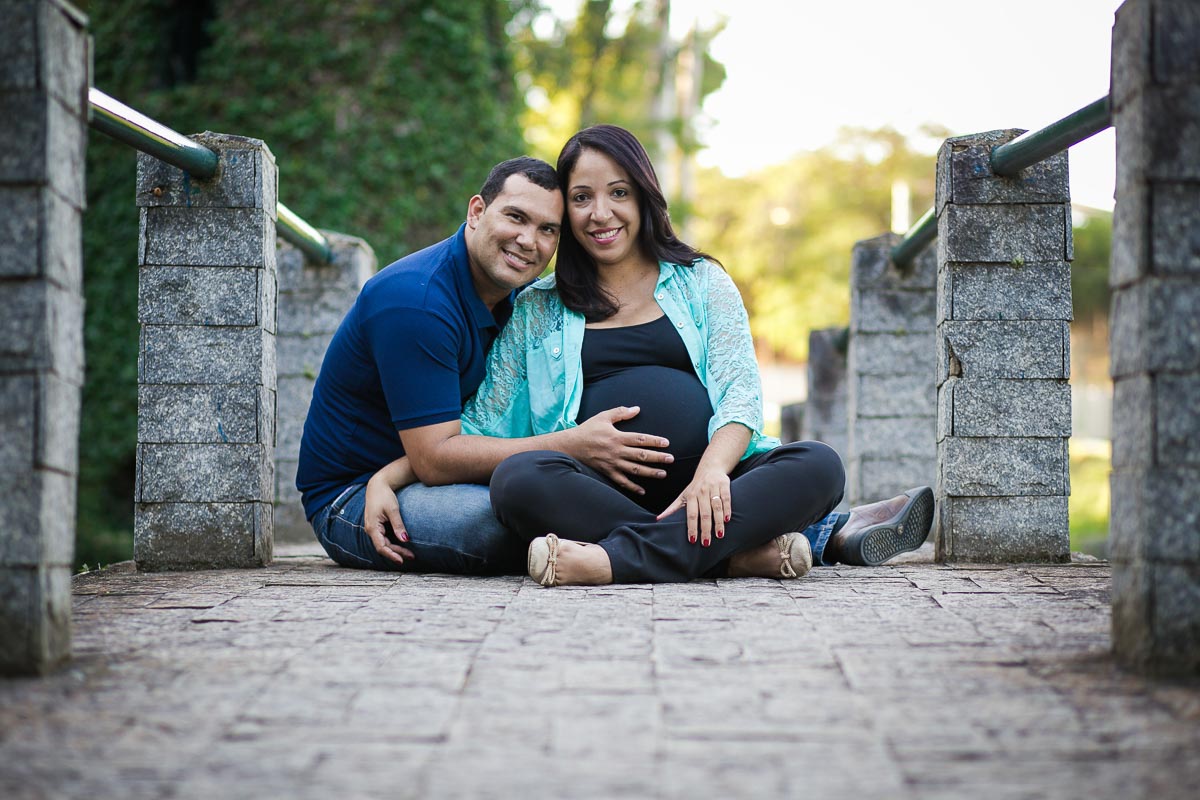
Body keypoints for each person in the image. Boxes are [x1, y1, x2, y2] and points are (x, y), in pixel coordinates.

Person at [457, 124, 935, 585]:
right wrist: (569, 444)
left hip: (719, 486)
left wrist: (710, 472)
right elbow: (482, 425)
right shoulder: (539, 307)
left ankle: (613, 560)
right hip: (595, 490)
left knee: (820, 465)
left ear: (643, 195)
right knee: (517, 480)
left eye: (619, 192)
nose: (601, 213)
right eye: (582, 197)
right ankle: (733, 556)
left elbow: (740, 392)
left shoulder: (701, 280)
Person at [296, 156, 677, 575]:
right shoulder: (416, 301)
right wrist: (573, 445)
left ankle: (669, 542)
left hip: (428, 476)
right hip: (359, 495)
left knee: (556, 494)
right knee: (490, 521)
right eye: (516, 217)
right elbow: (434, 459)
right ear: (477, 212)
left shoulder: (523, 299)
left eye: (548, 229)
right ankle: (691, 548)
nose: (528, 241)